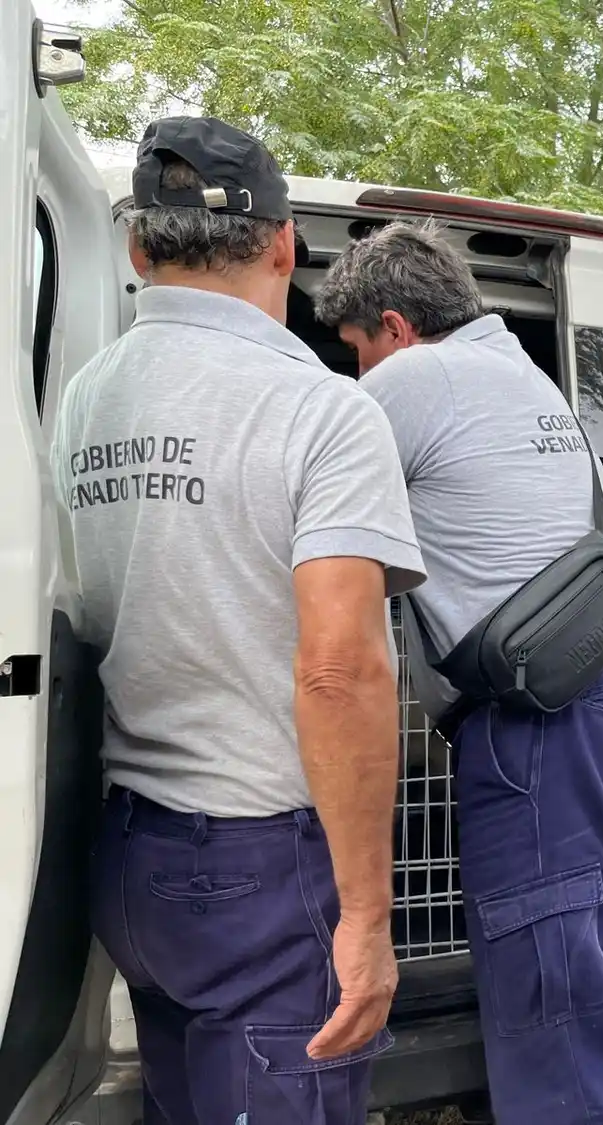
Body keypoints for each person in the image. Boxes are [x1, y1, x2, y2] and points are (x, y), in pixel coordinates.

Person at [51, 117, 426, 1124]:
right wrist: (365, 918)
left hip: (133, 852)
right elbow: (340, 670)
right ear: (283, 244)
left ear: (138, 247)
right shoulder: (321, 411)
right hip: (262, 874)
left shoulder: (85, 402)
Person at [315, 220, 603, 1125]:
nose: (360, 372)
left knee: (562, 1063)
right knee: (582, 1013)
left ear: (391, 327)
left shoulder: (411, 379)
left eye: (355, 350)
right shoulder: (521, 375)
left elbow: (300, 511)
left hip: (534, 738)